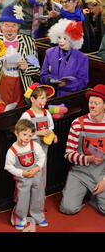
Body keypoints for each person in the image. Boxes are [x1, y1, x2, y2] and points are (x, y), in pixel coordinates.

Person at [0, 4, 40, 108]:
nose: (10, 29)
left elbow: (37, 69)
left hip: (21, 86)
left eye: (14, 26)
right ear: (1, 26)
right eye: (6, 25)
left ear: (18, 27)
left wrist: (26, 67)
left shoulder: (29, 42)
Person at [59, 84, 105, 215]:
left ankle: (93, 197)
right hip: (80, 172)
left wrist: (104, 181)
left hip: (102, 173)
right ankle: (80, 191)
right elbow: (68, 154)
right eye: (91, 102)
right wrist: (88, 158)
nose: (92, 106)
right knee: (68, 208)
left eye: (97, 103)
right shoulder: (77, 123)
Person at [5, 119, 48, 229]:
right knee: (22, 199)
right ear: (16, 133)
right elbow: (8, 166)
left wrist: (38, 167)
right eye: (24, 134)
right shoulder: (12, 151)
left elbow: (42, 156)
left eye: (29, 136)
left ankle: (38, 216)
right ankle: (19, 219)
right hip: (23, 179)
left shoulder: (35, 146)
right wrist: (21, 172)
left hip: (37, 176)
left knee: (38, 197)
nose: (26, 138)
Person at [20, 83, 57, 189]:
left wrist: (53, 136)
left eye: (45, 98)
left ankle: (39, 203)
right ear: (32, 99)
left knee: (41, 176)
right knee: (29, 178)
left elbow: (50, 129)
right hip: (29, 154)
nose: (45, 101)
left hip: (44, 151)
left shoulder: (46, 113)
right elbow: (21, 135)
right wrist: (37, 133)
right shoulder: (27, 115)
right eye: (42, 98)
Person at [40, 19, 89, 97]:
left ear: (72, 39)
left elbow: (83, 81)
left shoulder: (82, 58)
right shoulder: (49, 53)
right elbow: (43, 75)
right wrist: (52, 81)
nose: (61, 41)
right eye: (59, 37)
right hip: (51, 95)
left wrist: (66, 84)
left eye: (65, 38)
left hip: (70, 97)